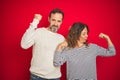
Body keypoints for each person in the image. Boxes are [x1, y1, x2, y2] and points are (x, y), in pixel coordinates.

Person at [21, 8, 65, 80]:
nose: (55, 24)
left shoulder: (62, 39)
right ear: (49, 19)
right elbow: (24, 45)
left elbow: (64, 58)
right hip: (36, 77)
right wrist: (35, 21)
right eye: (53, 20)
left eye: (58, 21)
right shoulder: (39, 32)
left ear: (61, 22)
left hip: (55, 77)